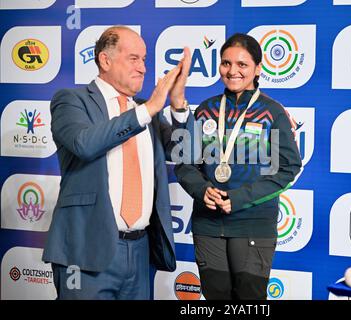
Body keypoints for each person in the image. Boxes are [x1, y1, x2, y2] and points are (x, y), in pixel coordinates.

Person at [42, 26, 193, 300]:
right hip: (86, 252)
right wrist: (147, 110)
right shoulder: (71, 101)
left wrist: (178, 102)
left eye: (144, 60)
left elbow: (186, 153)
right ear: (105, 60)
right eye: (134, 58)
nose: (143, 68)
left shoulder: (147, 111)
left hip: (139, 251)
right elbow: (84, 143)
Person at [175, 33, 302, 300]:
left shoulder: (272, 112)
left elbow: (288, 169)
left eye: (242, 65)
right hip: (208, 226)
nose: (233, 71)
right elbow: (185, 163)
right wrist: (202, 190)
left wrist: (239, 198)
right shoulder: (205, 111)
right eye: (226, 63)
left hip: (253, 226)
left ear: (258, 68)